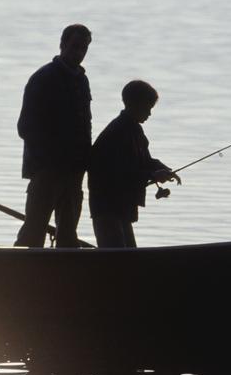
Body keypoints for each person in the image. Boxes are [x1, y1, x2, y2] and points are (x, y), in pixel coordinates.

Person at [15, 24, 92, 247]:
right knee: (33, 231)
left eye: (84, 48)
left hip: (75, 173)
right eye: (75, 46)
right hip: (47, 171)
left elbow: (85, 124)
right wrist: (50, 160)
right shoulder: (43, 78)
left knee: (68, 235)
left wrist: (83, 160)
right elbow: (25, 128)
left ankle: (62, 277)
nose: (79, 52)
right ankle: (16, 273)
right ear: (62, 44)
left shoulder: (81, 80)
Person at [88, 80, 181, 248]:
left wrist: (163, 169)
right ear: (134, 104)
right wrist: (152, 175)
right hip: (107, 207)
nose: (149, 114)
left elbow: (144, 161)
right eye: (148, 108)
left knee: (128, 256)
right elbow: (118, 173)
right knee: (118, 260)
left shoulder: (134, 130)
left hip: (121, 207)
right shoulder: (117, 132)